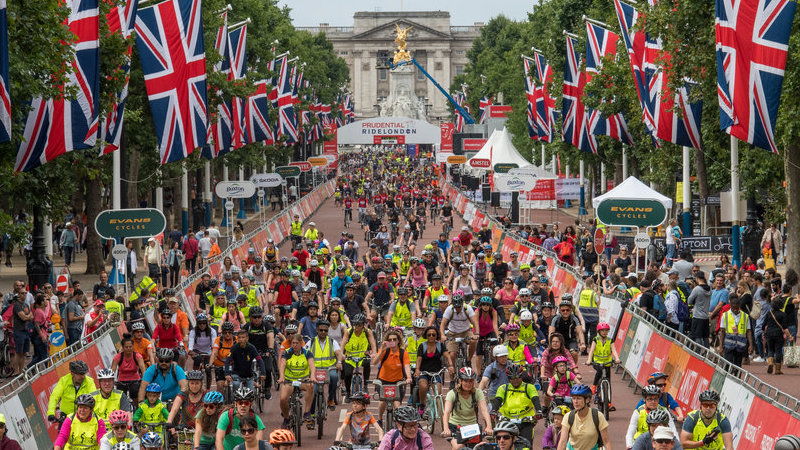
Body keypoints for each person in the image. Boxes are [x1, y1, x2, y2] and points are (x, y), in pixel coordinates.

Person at [442, 367, 493, 450]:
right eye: (465, 381)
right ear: (460, 381)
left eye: (471, 381)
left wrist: (489, 426)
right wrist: (446, 429)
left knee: (480, 448)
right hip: (455, 428)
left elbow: (484, 410)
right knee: (458, 447)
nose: (468, 384)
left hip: (472, 428)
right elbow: (446, 412)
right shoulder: (452, 394)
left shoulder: (478, 393)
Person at [492, 364, 542, 444]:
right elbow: (498, 399)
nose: (515, 380)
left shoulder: (529, 387)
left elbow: (535, 398)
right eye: (512, 378)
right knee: (503, 444)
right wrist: (494, 410)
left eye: (517, 377)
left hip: (525, 421)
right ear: (508, 378)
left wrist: (539, 411)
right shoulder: (503, 388)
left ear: (521, 376)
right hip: (507, 420)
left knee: (526, 445)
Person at [372, 328, 412, 426]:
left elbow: (406, 366)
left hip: (397, 382)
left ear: (399, 341)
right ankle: (380, 419)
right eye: (390, 340)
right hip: (383, 381)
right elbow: (374, 362)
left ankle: (397, 423)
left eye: (395, 339)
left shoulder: (403, 353)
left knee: (397, 404)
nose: (392, 341)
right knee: (382, 402)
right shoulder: (384, 351)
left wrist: (409, 377)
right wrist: (382, 350)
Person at [556, 384, 612, 450]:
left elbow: (606, 441)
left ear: (587, 400)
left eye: (579, 398)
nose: (575, 402)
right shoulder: (568, 417)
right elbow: (562, 441)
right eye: (574, 398)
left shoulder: (597, 416)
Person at [278, 334, 315, 428]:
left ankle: (307, 413)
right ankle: (286, 418)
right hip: (289, 380)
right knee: (283, 399)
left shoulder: (307, 353)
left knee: (311, 386)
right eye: (292, 343)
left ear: (301, 343)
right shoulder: (287, 352)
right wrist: (281, 376)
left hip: (303, 380)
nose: (294, 345)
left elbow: (311, 365)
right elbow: (283, 364)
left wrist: (313, 376)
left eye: (296, 343)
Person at [341, 313, 377, 399]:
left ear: (363, 325)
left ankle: (365, 385)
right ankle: (348, 393)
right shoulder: (348, 331)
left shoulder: (368, 332)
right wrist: (341, 354)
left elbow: (373, 344)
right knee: (348, 374)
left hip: (362, 356)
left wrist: (374, 353)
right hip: (350, 357)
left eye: (359, 324)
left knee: (367, 363)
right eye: (355, 324)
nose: (356, 326)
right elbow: (342, 344)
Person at [717, 295, 753, 367]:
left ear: (739, 306)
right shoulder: (725, 315)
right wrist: (721, 346)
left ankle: (736, 376)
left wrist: (751, 345)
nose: (735, 310)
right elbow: (722, 331)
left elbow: (748, 331)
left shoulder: (745, 316)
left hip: (740, 345)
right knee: (727, 365)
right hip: (728, 344)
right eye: (733, 308)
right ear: (730, 306)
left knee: (738, 366)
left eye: (737, 308)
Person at [225, 329, 266, 393]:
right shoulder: (234, 348)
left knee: (250, 393)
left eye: (243, 337)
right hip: (236, 374)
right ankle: (234, 402)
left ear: (247, 338)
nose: (241, 339)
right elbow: (227, 360)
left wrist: (263, 373)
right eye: (239, 337)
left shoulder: (251, 348)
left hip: (248, 375)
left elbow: (259, 360)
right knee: (236, 385)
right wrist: (227, 374)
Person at [764, 296, 793, 374]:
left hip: (769, 333)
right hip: (778, 334)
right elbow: (785, 327)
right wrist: (790, 336)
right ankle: (777, 370)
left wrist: (764, 332)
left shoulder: (769, 313)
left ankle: (770, 363)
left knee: (770, 349)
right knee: (778, 351)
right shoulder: (783, 314)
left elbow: (763, 325)